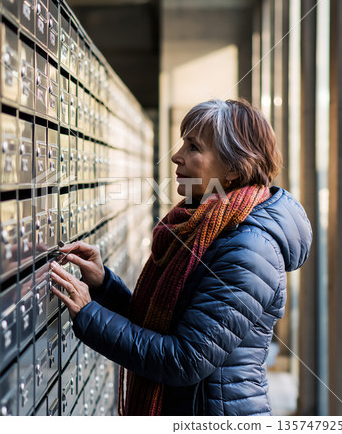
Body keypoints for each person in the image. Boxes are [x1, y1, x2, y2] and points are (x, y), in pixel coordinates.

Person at [50, 99, 312, 416]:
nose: (176, 156)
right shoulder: (207, 227)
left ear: (232, 169)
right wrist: (104, 284)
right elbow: (167, 325)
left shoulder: (248, 250)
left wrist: (90, 317)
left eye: (193, 147)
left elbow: (184, 359)